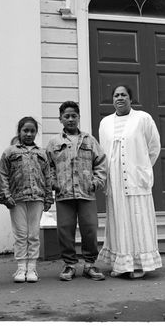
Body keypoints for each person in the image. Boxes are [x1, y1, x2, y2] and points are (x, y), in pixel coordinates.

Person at [97, 85, 162, 279]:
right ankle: (122, 264)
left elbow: (154, 146)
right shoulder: (105, 122)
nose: (119, 98)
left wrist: (142, 167)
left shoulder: (143, 118)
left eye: (123, 95)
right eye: (116, 95)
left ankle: (140, 264)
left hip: (136, 178)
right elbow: (103, 151)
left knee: (138, 219)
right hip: (114, 181)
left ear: (130, 99)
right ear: (112, 99)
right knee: (119, 221)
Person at [46, 101, 107, 282]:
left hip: (86, 193)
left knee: (89, 228)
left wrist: (96, 182)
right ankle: (69, 264)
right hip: (64, 194)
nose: (71, 119)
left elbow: (101, 163)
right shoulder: (54, 143)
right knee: (65, 229)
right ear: (60, 119)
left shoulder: (89, 140)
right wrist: (54, 183)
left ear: (79, 118)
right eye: (67, 116)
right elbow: (47, 166)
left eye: (74, 116)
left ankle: (89, 264)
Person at [0, 117, 54, 283]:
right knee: (21, 234)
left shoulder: (42, 153)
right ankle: (21, 267)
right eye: (25, 130)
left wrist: (48, 197)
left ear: (36, 133)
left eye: (32, 131)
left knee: (33, 234)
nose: (29, 134)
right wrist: (5, 195)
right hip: (17, 199)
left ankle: (32, 268)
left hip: (37, 198)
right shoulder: (10, 152)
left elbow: (48, 175)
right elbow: (3, 174)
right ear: (19, 131)